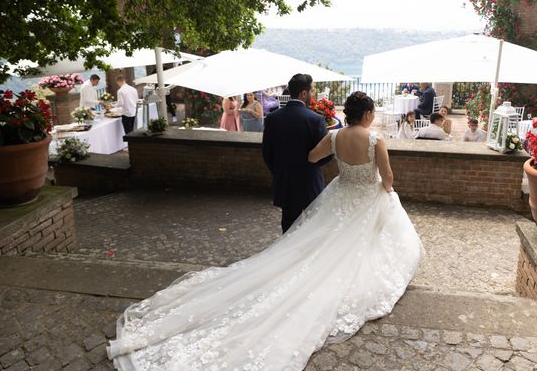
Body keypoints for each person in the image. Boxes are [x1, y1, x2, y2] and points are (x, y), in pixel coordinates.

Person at [107, 91, 425, 371]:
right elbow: (387, 175)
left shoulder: (335, 135)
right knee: (366, 239)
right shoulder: (375, 139)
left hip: (341, 194)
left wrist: (342, 167)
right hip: (366, 196)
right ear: (368, 115)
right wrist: (384, 190)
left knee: (324, 239)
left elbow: (313, 157)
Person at [262, 73, 331, 233]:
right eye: (312, 91)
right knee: (312, 228)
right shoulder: (315, 120)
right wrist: (312, 166)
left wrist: (280, 171)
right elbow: (327, 153)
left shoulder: (272, 119)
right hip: (310, 183)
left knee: (288, 228)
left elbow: (267, 153)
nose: (313, 95)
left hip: (285, 182)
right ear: (304, 93)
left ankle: (288, 257)